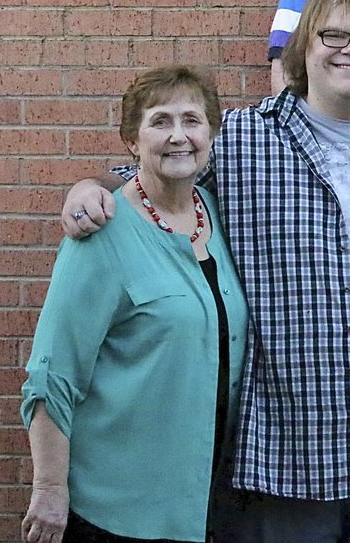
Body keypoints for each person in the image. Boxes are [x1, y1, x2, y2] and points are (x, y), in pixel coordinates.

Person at [61, 0, 350, 542]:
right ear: (304, 47)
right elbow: (148, 184)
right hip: (295, 443)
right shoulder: (244, 138)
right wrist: (88, 187)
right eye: (333, 34)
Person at [22, 66, 247, 542]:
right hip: (118, 507)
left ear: (212, 132)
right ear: (132, 140)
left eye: (192, 120)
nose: (179, 136)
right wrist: (49, 487)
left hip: (208, 502)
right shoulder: (101, 231)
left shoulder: (222, 216)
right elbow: (52, 372)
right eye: (160, 122)